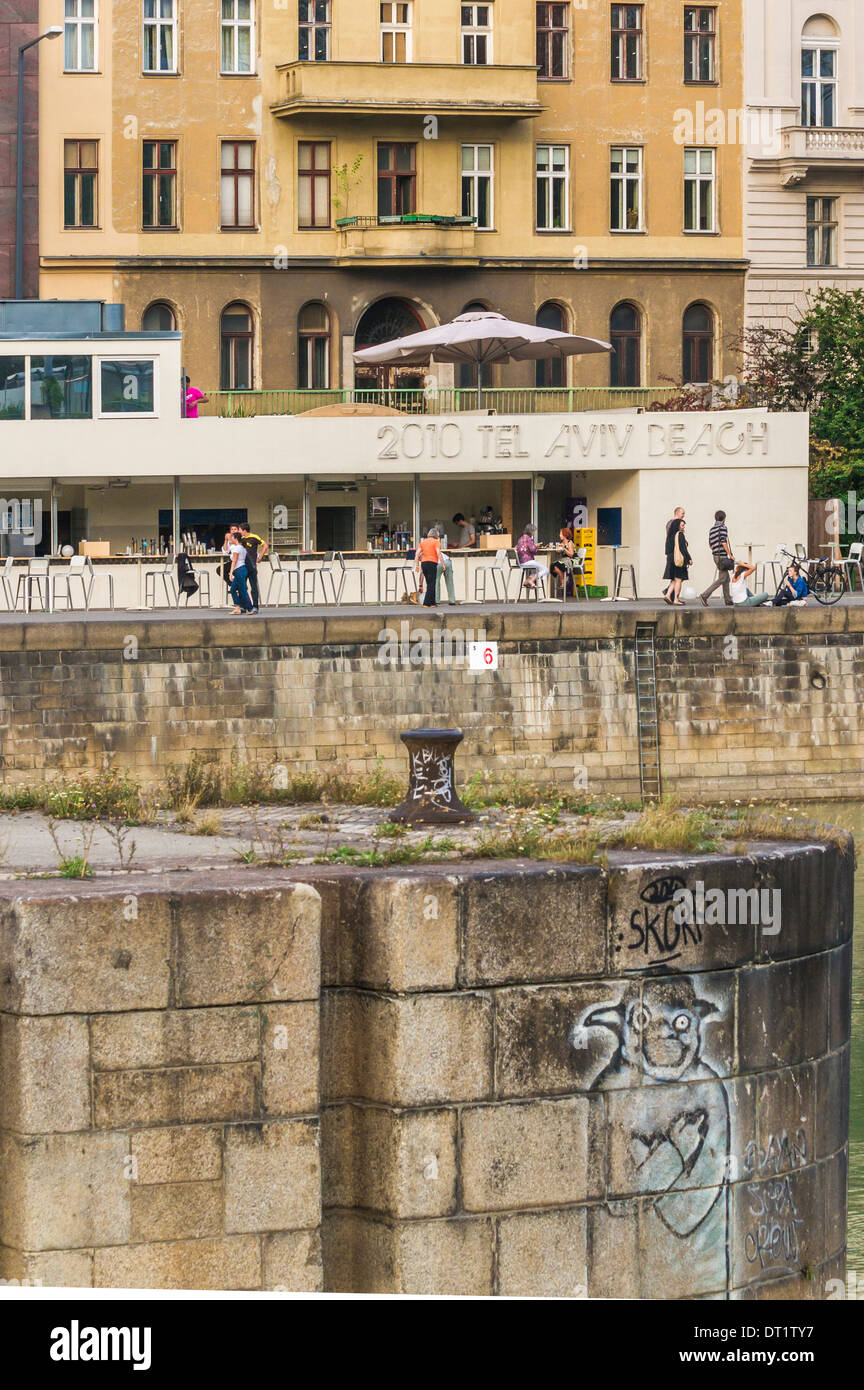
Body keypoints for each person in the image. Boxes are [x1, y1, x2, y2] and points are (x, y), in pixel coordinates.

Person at [700, 509, 735, 606]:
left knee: (726, 578)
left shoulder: (712, 529)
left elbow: (710, 545)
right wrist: (730, 555)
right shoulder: (723, 527)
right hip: (722, 556)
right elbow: (724, 542)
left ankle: (728, 600)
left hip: (715, 555)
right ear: (724, 518)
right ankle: (704, 595)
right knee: (722, 578)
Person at [238, 521, 268, 614]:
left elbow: (265, 545)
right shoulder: (241, 539)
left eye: (239, 530)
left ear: (244, 530)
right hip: (243, 565)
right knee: (242, 586)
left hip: (252, 565)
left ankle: (255, 606)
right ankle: (243, 606)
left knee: (253, 586)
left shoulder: (254, 537)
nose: (239, 532)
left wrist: (260, 557)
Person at [664, 517, 691, 605]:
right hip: (678, 561)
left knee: (674, 579)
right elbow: (683, 549)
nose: (683, 527)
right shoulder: (680, 535)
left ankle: (668, 595)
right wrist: (689, 559)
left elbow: (667, 550)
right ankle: (676, 599)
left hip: (671, 559)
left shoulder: (670, 535)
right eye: (682, 525)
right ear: (677, 526)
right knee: (679, 580)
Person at [516, 523, 550, 594]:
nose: (534, 533)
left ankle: (526, 581)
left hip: (521, 562)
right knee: (546, 569)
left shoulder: (520, 538)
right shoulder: (529, 539)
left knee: (535, 571)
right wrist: (536, 545)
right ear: (531, 531)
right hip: (528, 561)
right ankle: (532, 580)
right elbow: (533, 550)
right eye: (534, 531)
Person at [226, 529, 253, 614]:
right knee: (233, 589)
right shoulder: (242, 548)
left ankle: (250, 608)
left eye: (232, 538)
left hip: (239, 570)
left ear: (236, 539)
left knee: (242, 590)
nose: (231, 539)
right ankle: (237, 607)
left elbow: (234, 561)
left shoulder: (237, 549)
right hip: (241, 570)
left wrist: (230, 573)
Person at [415, 527, 442, 607]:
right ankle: (426, 603)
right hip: (432, 563)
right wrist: (443, 564)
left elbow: (417, 554)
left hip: (424, 563)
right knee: (432, 583)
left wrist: (417, 565)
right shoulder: (436, 542)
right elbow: (438, 553)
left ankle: (433, 603)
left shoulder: (423, 542)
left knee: (430, 583)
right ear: (436, 535)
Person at [662, 506, 685, 598]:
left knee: (676, 576)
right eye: (682, 513)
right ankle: (671, 595)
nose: (683, 515)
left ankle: (669, 593)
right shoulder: (674, 523)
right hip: (675, 552)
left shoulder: (671, 523)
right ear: (677, 513)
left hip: (672, 551)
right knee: (678, 576)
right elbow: (675, 538)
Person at [550, 526, 576, 596]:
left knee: (557, 565)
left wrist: (564, 548)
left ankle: (563, 580)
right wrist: (556, 548)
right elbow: (558, 552)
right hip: (563, 560)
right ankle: (564, 579)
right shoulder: (562, 542)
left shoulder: (569, 543)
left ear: (565, 535)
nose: (559, 535)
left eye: (561, 534)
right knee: (552, 565)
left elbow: (571, 554)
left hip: (569, 560)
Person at [435, 526, 457, 606]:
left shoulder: (428, 546)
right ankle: (452, 600)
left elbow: (438, 554)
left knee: (436, 580)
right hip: (447, 560)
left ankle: (437, 600)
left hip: (439, 563)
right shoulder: (436, 543)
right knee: (449, 581)